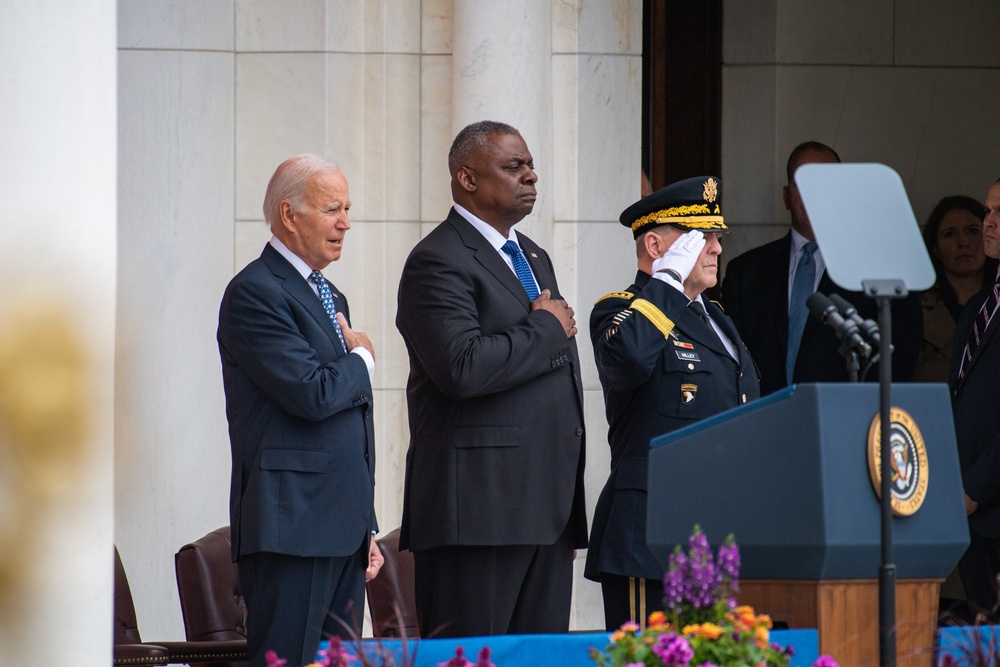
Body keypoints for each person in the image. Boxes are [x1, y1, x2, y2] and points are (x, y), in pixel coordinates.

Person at [395, 120, 588, 638]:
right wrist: (546, 329)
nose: (531, 176)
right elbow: (462, 366)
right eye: (513, 166)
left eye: (529, 165)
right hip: (479, 513)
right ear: (468, 178)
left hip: (545, 506)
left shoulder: (532, 256)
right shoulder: (437, 260)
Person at [217, 155, 383, 667]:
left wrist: (366, 525)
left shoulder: (332, 295)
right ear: (289, 215)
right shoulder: (255, 293)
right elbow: (311, 393)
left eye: (347, 209)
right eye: (333, 209)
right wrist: (363, 358)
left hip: (343, 530)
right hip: (292, 528)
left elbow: (348, 423)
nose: (346, 223)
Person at [585, 176, 760, 630]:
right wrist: (665, 284)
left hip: (719, 525)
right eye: (701, 238)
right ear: (656, 244)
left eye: (717, 238)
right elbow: (627, 361)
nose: (716, 249)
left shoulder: (718, 319)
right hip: (652, 529)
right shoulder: (618, 311)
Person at [721, 141, 922, 396]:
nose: (813, 192)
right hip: (764, 424)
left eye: (825, 182)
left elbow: (899, 361)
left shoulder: (881, 271)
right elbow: (730, 360)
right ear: (786, 196)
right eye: (802, 182)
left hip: (847, 424)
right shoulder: (745, 272)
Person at [949, 178, 1000, 622]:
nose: (990, 223)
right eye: (987, 211)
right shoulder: (981, 304)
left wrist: (975, 488)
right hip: (966, 513)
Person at [915, 195, 996, 382]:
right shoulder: (914, 310)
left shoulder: (995, 303)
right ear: (935, 248)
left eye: (973, 231)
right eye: (949, 234)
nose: (963, 242)